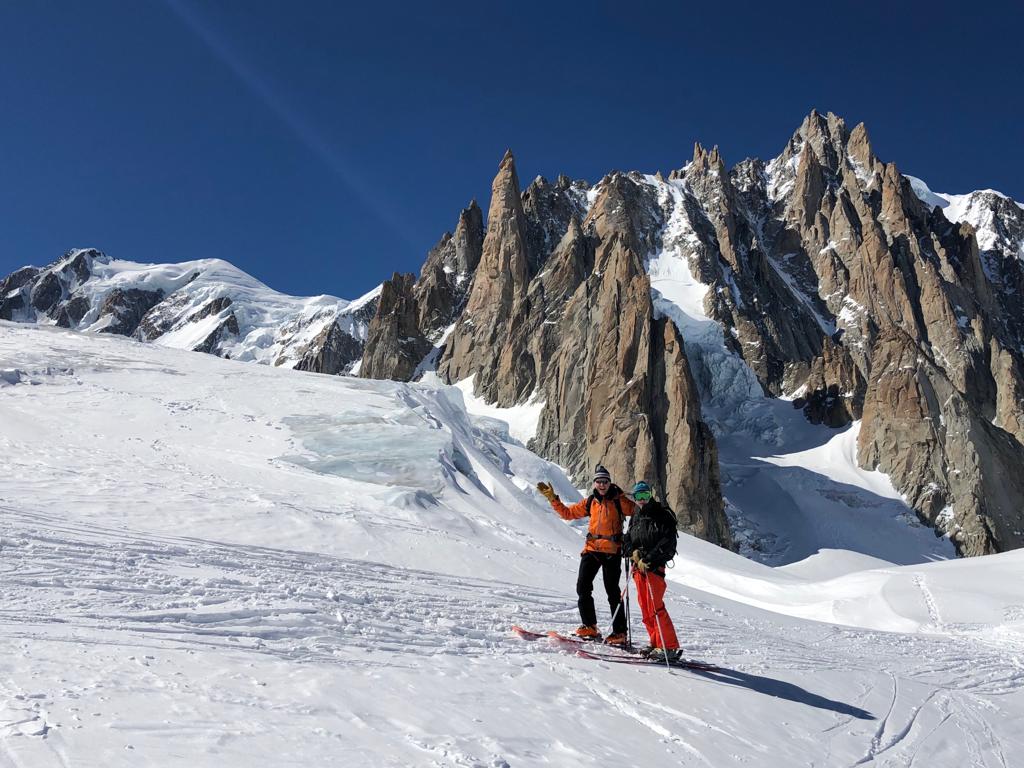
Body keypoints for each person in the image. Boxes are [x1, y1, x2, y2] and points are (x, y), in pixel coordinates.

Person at [536, 465, 635, 645]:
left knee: (613, 592)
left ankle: (619, 633)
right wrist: (553, 499)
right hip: (591, 550)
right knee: (583, 587)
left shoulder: (619, 500)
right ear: (594, 483)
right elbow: (568, 513)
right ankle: (589, 626)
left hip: (612, 551)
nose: (602, 485)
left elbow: (637, 513)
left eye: (605, 481)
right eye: (599, 481)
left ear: (609, 482)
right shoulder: (590, 502)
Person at [622, 481, 682, 662]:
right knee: (645, 607)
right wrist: (632, 552)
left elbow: (667, 541)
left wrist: (649, 559)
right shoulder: (636, 515)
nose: (641, 500)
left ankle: (669, 646)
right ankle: (656, 642)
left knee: (655, 606)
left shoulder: (662, 514)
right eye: (637, 497)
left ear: (650, 495)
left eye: (644, 496)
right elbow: (628, 537)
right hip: (638, 569)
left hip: (653, 568)